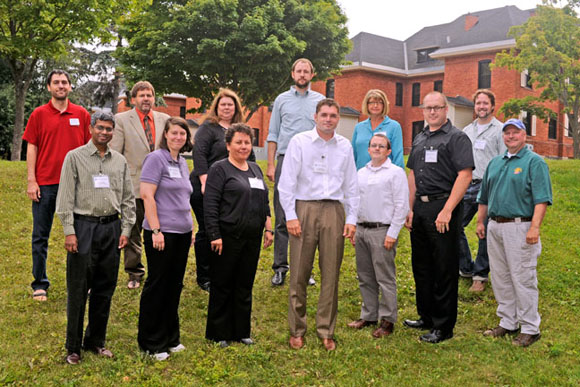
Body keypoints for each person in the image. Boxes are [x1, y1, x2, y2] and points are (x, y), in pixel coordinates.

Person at [55, 111, 136, 365]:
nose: (104, 132)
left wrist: (125, 230)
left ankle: (96, 341)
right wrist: (69, 230)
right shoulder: (75, 157)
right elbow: (65, 198)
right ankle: (73, 347)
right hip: (84, 228)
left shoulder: (120, 161)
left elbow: (128, 199)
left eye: (109, 129)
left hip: (111, 228)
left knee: (105, 288)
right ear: (91, 128)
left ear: (113, 131)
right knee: (78, 289)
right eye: (100, 128)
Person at [279, 98, 359, 351]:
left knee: (331, 274)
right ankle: (297, 329)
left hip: (334, 211)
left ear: (338, 119)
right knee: (299, 273)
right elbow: (287, 182)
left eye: (333, 115)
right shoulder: (299, 142)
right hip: (305, 208)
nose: (328, 119)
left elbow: (352, 185)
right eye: (324, 114)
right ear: (315, 117)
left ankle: (326, 330)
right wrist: (290, 215)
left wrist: (352, 218)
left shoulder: (345, 146)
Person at [404, 91, 474, 344]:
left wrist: (447, 210)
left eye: (437, 108)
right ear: (423, 111)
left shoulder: (457, 138)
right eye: (428, 108)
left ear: (446, 110)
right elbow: (412, 174)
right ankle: (426, 316)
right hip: (420, 209)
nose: (432, 112)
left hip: (444, 207)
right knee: (422, 265)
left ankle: (443, 326)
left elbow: (465, 175)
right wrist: (410, 208)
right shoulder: (421, 137)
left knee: (444, 268)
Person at [477, 118, 552, 348]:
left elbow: (541, 199)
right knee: (500, 277)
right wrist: (481, 222)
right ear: (503, 136)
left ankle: (530, 327)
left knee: (523, 277)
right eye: (507, 133)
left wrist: (535, 227)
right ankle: (508, 321)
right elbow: (484, 197)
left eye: (515, 132)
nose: (511, 136)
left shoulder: (534, 162)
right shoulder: (495, 163)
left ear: (524, 135)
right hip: (495, 226)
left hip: (520, 226)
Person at [23, 69, 92, 301]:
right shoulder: (39, 114)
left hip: (76, 185)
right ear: (48, 87)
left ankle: (81, 282)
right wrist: (32, 180)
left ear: (70, 87)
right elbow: (31, 147)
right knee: (40, 235)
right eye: (56, 82)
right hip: (46, 184)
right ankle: (39, 283)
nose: (61, 86)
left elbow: (88, 150)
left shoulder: (81, 114)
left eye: (64, 82)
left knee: (81, 235)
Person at [204, 124, 273, 347]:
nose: (244, 146)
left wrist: (268, 227)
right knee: (223, 284)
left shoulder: (255, 169)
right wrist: (214, 234)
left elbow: (264, 200)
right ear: (228, 145)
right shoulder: (219, 169)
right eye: (239, 142)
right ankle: (218, 332)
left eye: (247, 142)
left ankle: (241, 330)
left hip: (252, 237)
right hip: (226, 237)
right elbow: (211, 203)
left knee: (244, 283)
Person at [137, 117, 194, 361]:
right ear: (166, 134)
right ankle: (151, 342)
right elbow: (147, 196)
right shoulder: (156, 159)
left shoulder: (182, 163)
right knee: (158, 285)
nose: (179, 137)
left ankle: (171, 337)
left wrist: (190, 228)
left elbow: (184, 198)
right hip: (161, 233)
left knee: (174, 285)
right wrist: (157, 230)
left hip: (183, 233)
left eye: (183, 134)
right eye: (174, 133)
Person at [266, 58, 325, 287]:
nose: (302, 75)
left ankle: (305, 269)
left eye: (306, 71)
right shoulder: (281, 100)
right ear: (293, 74)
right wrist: (271, 165)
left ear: (312, 74)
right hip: (285, 160)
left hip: (312, 165)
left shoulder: (320, 101)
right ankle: (280, 268)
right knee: (282, 215)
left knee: (307, 217)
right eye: (299, 71)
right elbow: (273, 134)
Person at [189, 88, 254, 292]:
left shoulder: (239, 130)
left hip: (231, 192)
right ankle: (204, 276)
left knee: (222, 232)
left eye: (230, 104)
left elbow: (248, 158)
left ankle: (222, 271)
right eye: (223, 104)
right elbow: (199, 154)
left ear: (236, 107)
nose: (227, 107)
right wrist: (205, 181)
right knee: (207, 231)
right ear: (217, 106)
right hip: (206, 188)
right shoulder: (208, 128)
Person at [348, 133, 409, 338]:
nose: (376, 149)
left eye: (381, 146)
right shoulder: (361, 173)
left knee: (384, 277)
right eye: (373, 145)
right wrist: (354, 227)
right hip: (363, 229)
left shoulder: (395, 173)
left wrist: (393, 233)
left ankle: (388, 319)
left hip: (383, 230)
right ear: (368, 149)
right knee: (365, 276)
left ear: (388, 151)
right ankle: (369, 314)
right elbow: (354, 201)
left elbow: (402, 205)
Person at [111, 81, 170, 290]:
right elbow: (115, 154)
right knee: (133, 230)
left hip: (162, 186)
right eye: (142, 95)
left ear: (154, 98)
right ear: (133, 99)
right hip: (133, 185)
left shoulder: (165, 120)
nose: (146, 98)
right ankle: (134, 272)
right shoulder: (121, 120)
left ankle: (159, 270)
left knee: (159, 229)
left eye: (149, 95)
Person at [458, 89, 505, 292]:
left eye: (486, 103)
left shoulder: (501, 130)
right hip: (469, 184)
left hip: (490, 186)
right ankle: (466, 267)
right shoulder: (467, 131)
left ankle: (480, 274)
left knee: (484, 230)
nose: (482, 107)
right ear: (474, 106)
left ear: (493, 106)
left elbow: (505, 161)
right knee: (454, 225)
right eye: (478, 103)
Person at [351, 89, 404, 169]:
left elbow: (398, 156)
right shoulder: (359, 127)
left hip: (385, 177)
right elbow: (353, 155)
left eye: (379, 102)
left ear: (384, 105)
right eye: (372, 102)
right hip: (361, 176)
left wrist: (397, 176)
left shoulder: (394, 126)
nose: (375, 106)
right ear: (367, 105)